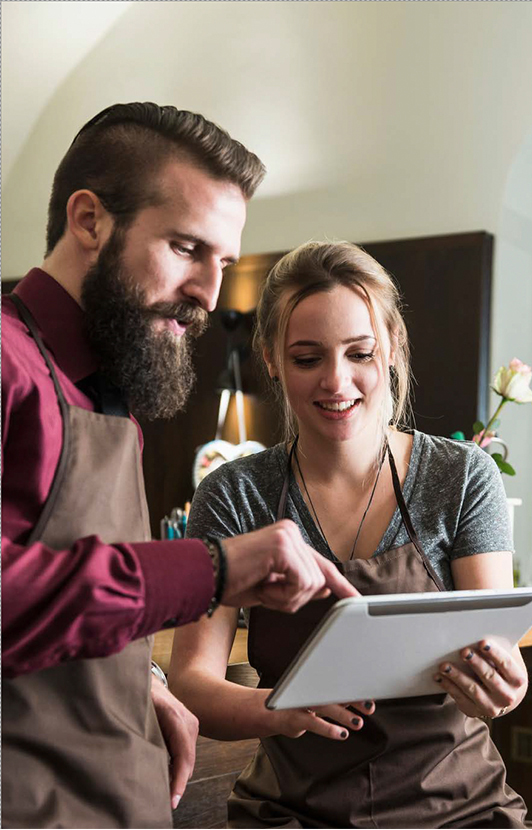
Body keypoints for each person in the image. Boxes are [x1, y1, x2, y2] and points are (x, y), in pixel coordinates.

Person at [1, 104, 357, 830]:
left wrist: (142, 677)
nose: (209, 293)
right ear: (89, 219)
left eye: (221, 261)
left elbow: (72, 596)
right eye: (187, 248)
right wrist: (215, 570)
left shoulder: (107, 394)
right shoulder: (8, 365)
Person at [169, 241, 530, 828]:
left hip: (459, 812)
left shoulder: (462, 478)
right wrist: (282, 710)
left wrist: (502, 686)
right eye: (307, 358)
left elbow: (497, 655)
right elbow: (192, 682)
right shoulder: (235, 493)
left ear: (391, 347)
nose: (337, 382)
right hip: (292, 813)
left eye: (359, 353)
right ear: (271, 359)